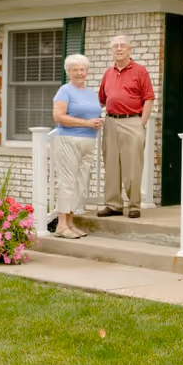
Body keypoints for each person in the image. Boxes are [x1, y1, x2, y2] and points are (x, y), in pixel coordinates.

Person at [97, 34, 155, 218]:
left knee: (132, 167)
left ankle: (134, 205)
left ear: (130, 49)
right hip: (111, 121)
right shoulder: (108, 73)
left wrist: (142, 122)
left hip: (133, 121)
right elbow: (101, 100)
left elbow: (149, 98)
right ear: (111, 51)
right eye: (115, 46)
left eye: (122, 46)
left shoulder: (140, 70)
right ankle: (113, 204)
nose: (119, 49)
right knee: (111, 165)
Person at [51, 54, 103, 238]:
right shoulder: (65, 91)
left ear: (87, 71)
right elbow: (58, 117)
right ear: (69, 72)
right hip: (68, 140)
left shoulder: (91, 93)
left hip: (88, 142)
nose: (79, 73)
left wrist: (96, 122)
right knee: (67, 182)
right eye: (75, 70)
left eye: (82, 69)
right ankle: (61, 225)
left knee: (80, 183)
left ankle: (70, 223)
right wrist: (87, 123)